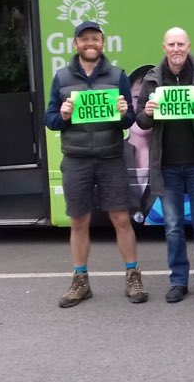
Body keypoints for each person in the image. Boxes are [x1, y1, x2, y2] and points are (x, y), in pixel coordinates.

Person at [44, 21, 146, 308]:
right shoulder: (61, 78)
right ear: (76, 44)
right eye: (85, 39)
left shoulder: (117, 76)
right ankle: (80, 280)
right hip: (76, 159)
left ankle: (133, 275)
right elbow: (50, 120)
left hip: (111, 157)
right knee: (79, 220)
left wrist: (126, 113)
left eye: (96, 39)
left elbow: (130, 121)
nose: (91, 43)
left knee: (121, 218)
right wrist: (62, 114)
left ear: (103, 43)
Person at [135, 27, 194, 303]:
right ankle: (178, 281)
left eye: (180, 44)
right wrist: (147, 113)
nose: (176, 49)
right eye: (171, 44)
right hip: (167, 166)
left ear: (188, 46)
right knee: (172, 227)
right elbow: (140, 120)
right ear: (164, 47)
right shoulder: (151, 81)